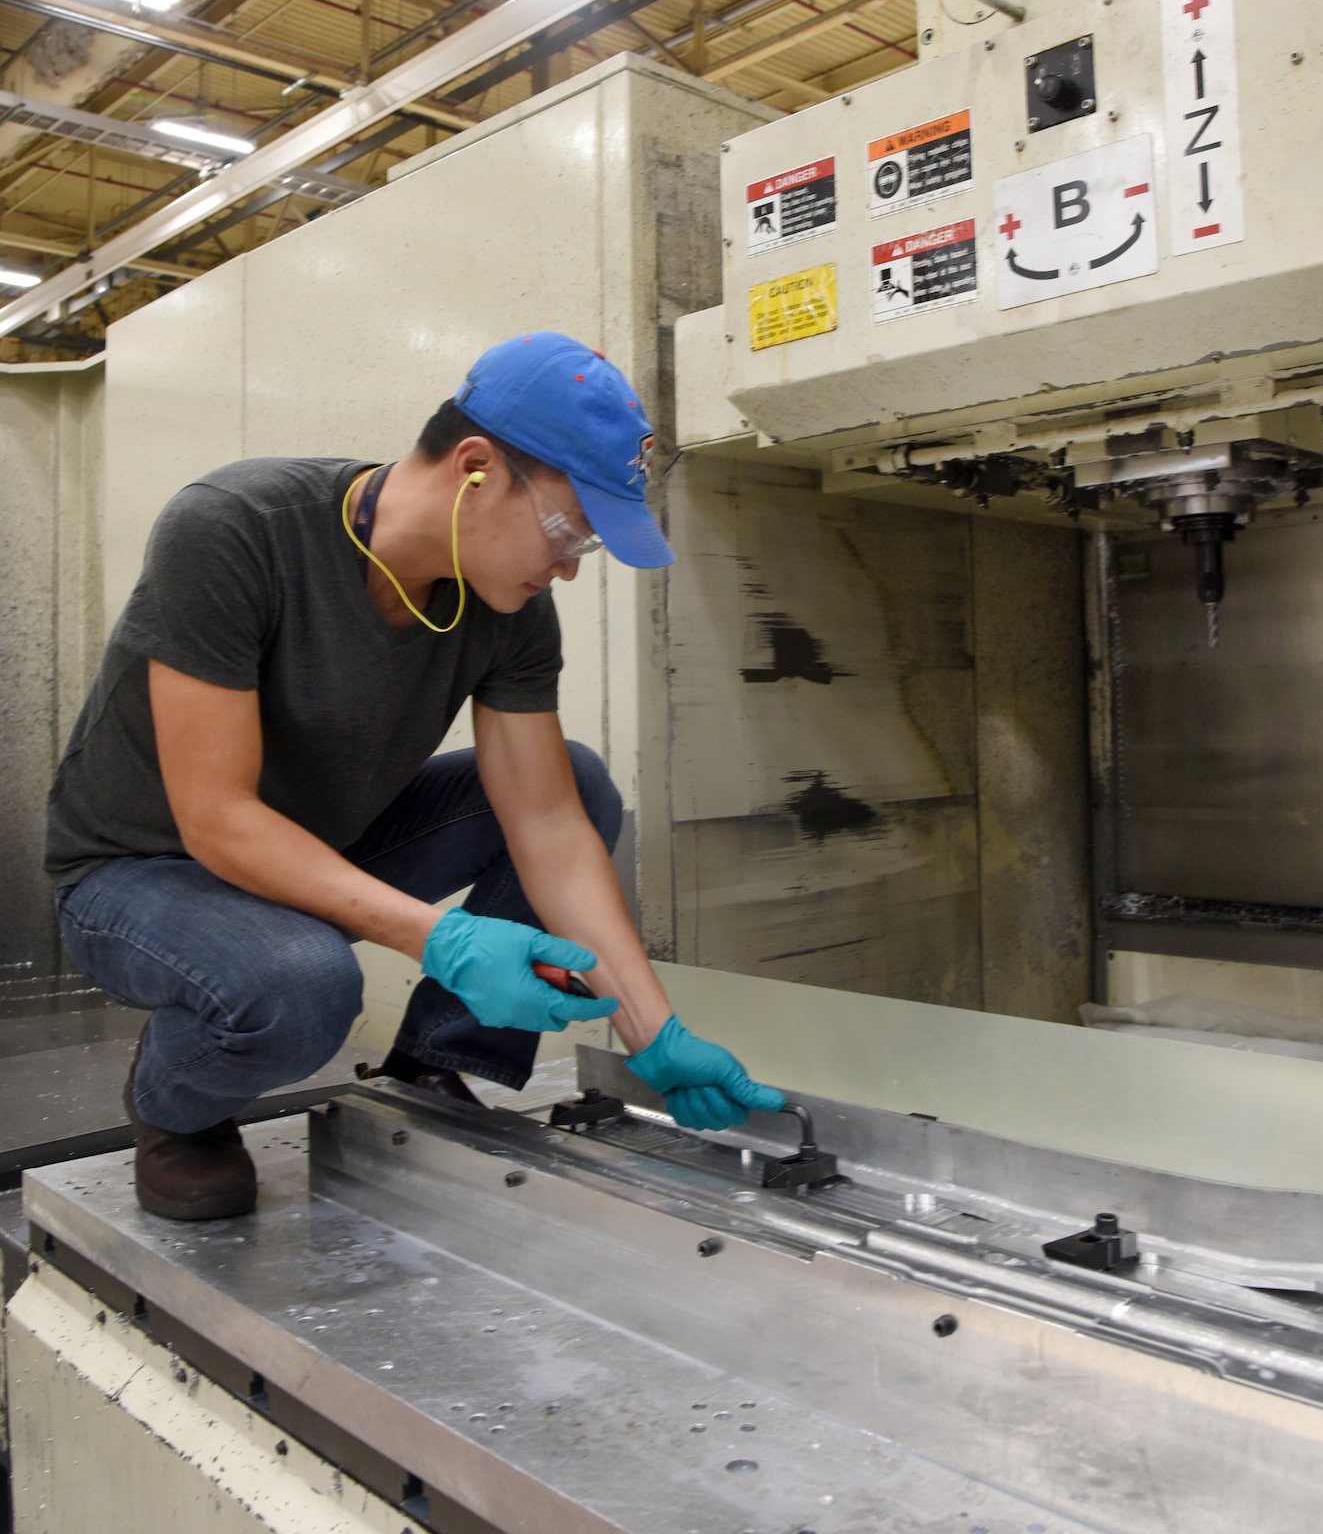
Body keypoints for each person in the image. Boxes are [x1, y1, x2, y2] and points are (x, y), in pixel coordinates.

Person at [45, 331, 782, 1221]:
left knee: (579, 784)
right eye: (566, 531)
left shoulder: (508, 608)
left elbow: (546, 824)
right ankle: (176, 1107)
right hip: (146, 871)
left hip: (323, 844)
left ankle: (437, 1068)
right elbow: (216, 817)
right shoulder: (235, 530)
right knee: (303, 985)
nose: (562, 568)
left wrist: (651, 1033)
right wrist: (444, 940)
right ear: (475, 466)